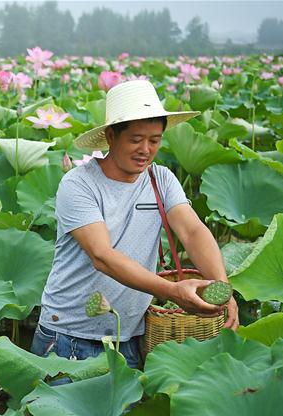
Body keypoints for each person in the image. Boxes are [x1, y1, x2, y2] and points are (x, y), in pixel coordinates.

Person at [33, 79, 239, 368]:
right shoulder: (79, 184)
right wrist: (173, 292)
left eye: (154, 140)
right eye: (135, 139)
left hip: (129, 336)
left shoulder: (161, 179)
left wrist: (223, 287)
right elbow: (102, 256)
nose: (145, 149)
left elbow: (192, 232)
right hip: (70, 337)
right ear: (110, 136)